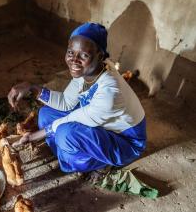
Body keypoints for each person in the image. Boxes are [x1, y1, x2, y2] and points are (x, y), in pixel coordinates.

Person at [8, 23, 146, 173]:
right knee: (45, 114)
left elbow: (71, 118)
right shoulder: (90, 70)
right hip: (101, 126)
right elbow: (66, 102)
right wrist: (32, 88)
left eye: (84, 55)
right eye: (70, 52)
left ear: (100, 56)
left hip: (125, 141)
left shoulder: (110, 92)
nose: (74, 60)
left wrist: (34, 136)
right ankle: (69, 152)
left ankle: (91, 161)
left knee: (65, 134)